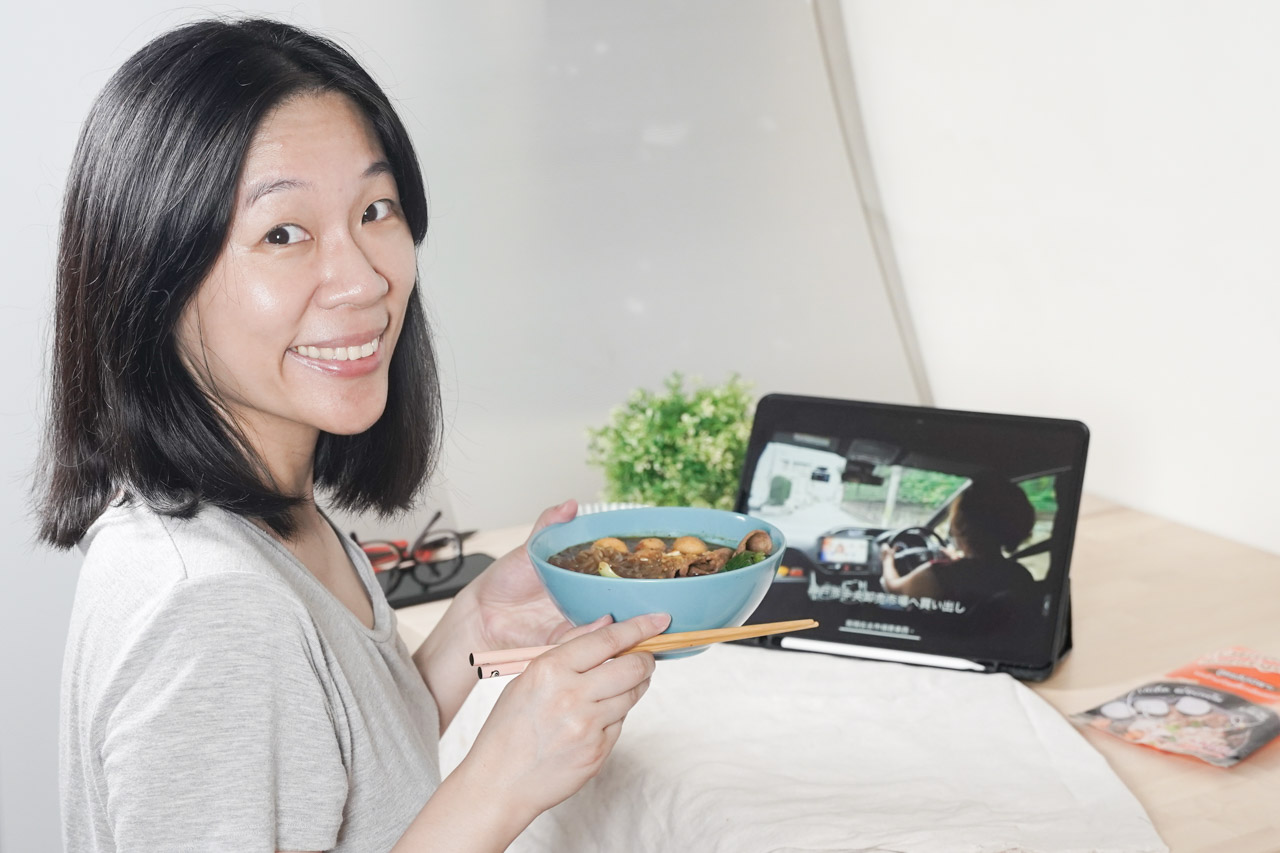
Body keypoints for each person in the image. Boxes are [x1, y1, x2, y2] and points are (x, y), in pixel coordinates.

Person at [39, 18, 668, 853]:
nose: (366, 278)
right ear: (155, 277)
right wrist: (501, 782)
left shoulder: (262, 514)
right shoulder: (212, 610)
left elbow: (338, 782)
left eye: (376, 210)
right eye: (283, 233)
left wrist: (472, 632)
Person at [879, 475, 1038, 624]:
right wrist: (956, 562)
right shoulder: (1021, 575)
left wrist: (887, 560)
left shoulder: (939, 574)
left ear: (961, 523)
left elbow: (894, 588)